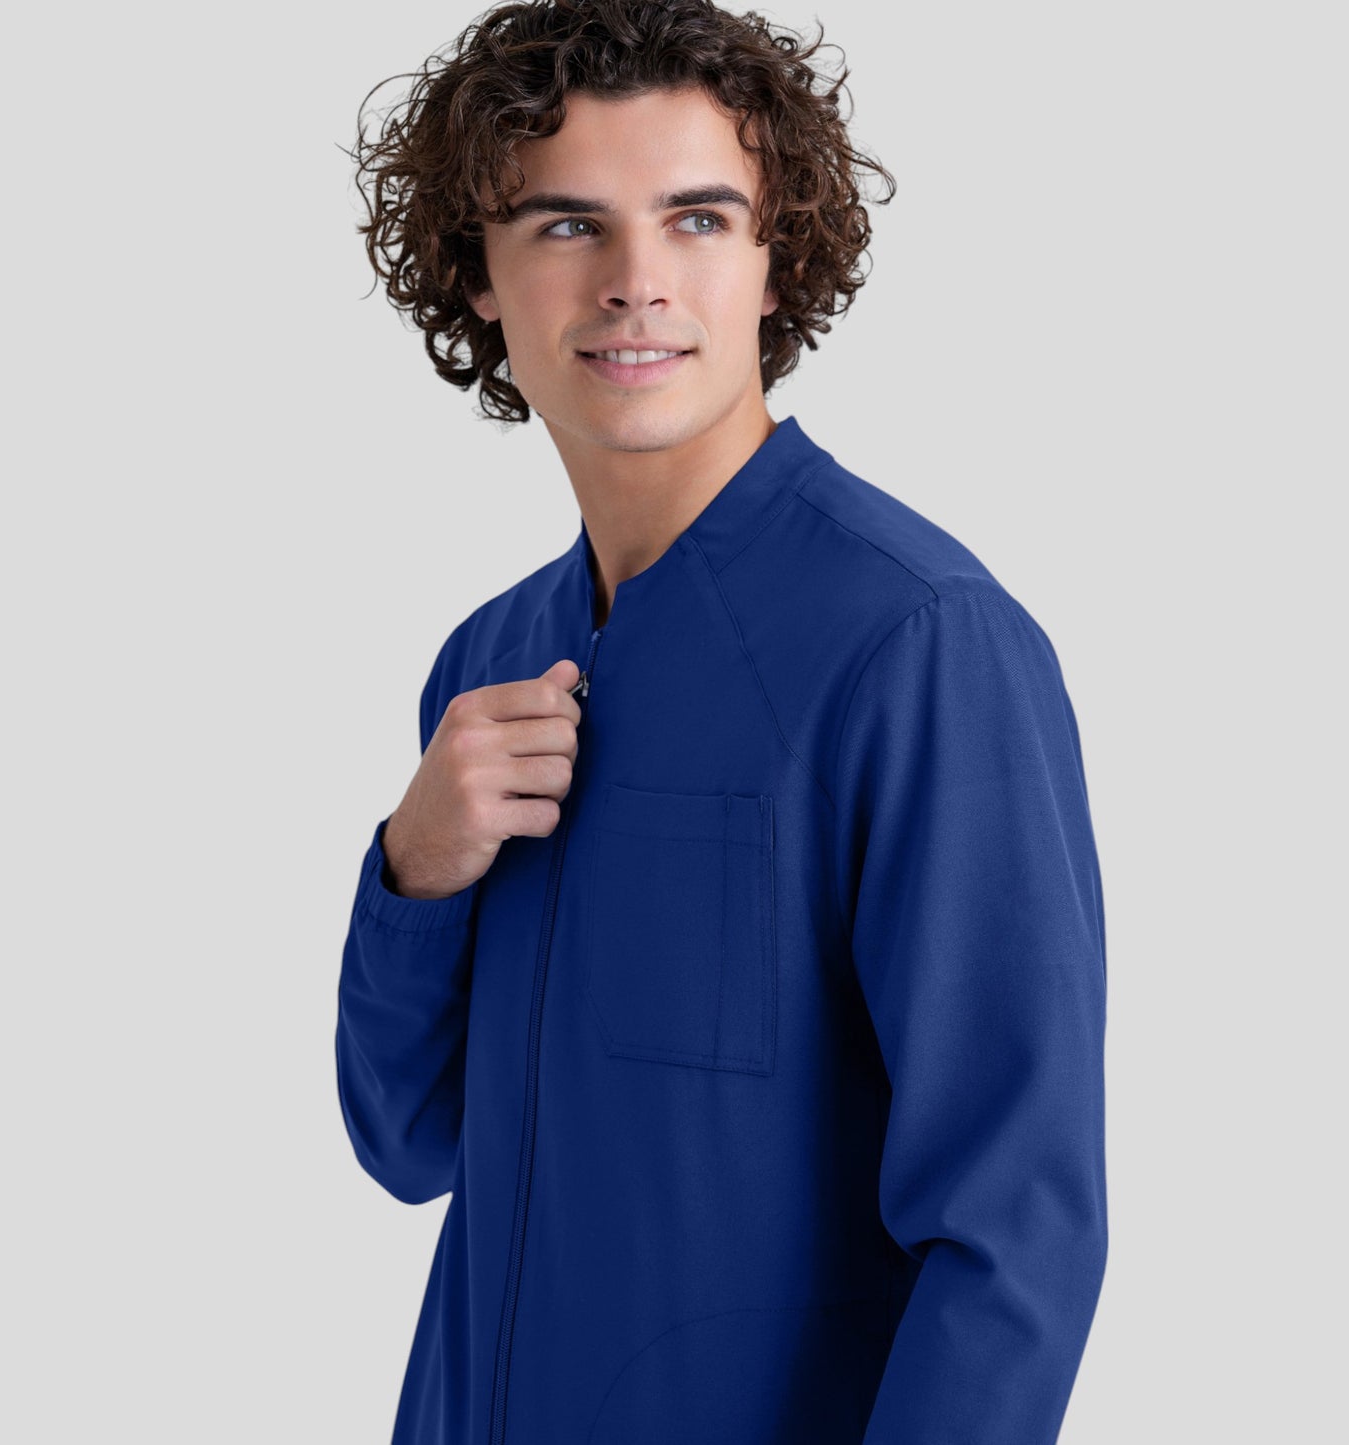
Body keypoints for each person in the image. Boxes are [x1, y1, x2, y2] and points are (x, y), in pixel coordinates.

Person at [333, 2, 1109, 1443]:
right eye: (567, 225)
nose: (636, 283)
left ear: (774, 261)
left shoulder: (920, 644)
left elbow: (1016, 1234)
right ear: (479, 275)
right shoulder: (490, 663)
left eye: (698, 219)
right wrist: (413, 870)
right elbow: (408, 1138)